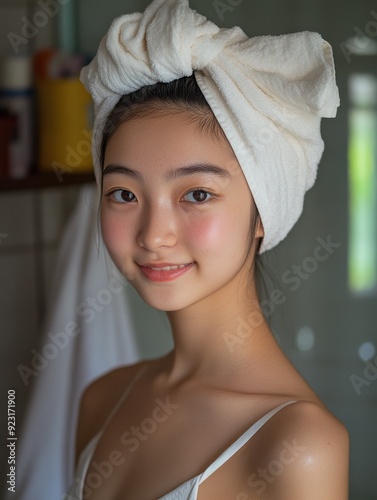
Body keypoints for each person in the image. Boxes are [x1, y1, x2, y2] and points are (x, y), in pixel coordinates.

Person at [65, 0, 349, 498]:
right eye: (124, 194)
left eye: (197, 194)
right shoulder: (102, 400)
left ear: (262, 213)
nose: (154, 234)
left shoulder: (297, 445)